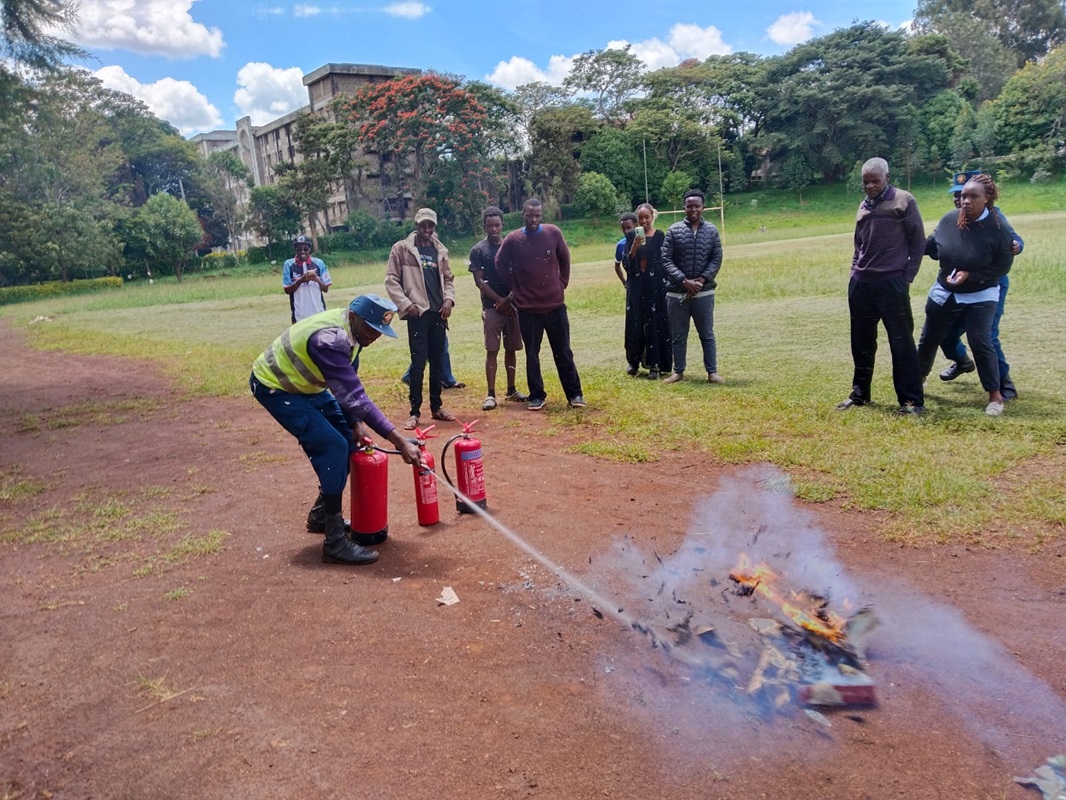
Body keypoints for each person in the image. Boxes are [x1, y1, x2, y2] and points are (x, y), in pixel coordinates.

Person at [249, 295, 423, 566]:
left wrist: (355, 425)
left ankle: (322, 514)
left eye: (379, 331)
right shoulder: (330, 341)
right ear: (354, 317)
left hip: (306, 387)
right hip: (277, 386)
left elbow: (346, 392)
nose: (375, 336)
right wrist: (399, 441)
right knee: (333, 446)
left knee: (350, 441)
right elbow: (356, 397)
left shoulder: (354, 336)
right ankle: (334, 541)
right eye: (372, 329)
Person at [836, 158, 926, 415]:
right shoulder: (863, 204)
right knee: (861, 342)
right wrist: (855, 269)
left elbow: (919, 242)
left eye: (875, 180)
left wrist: (907, 277)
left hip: (892, 283)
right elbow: (859, 243)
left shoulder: (904, 200)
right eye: (866, 181)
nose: (870, 186)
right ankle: (860, 394)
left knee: (901, 343)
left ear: (887, 176)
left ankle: (911, 402)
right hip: (861, 283)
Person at [918, 174, 1014, 416]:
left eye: (973, 196)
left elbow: (1003, 266)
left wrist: (970, 275)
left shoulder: (998, 226)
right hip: (946, 288)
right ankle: (917, 380)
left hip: (982, 292)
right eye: (962, 196)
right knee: (929, 336)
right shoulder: (950, 219)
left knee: (980, 340)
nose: (966, 201)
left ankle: (995, 395)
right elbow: (932, 247)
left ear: (988, 198)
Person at [937, 170, 1024, 400]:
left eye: (964, 194)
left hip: (990, 282)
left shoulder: (994, 217)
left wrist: (1017, 245)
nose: (960, 200)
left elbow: (1015, 239)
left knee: (987, 336)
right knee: (944, 332)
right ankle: (962, 361)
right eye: (956, 195)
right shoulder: (956, 217)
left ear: (984, 196)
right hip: (959, 285)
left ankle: (1004, 384)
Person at [495, 198, 585, 411]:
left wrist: (563, 282)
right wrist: (515, 287)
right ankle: (537, 395)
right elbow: (499, 263)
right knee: (532, 354)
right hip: (528, 309)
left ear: (541, 215)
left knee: (563, 351)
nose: (533, 219)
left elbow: (564, 258)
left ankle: (574, 394)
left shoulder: (553, 233)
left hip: (555, 305)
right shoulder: (513, 239)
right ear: (523, 215)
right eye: (529, 215)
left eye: (537, 215)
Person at [385, 207, 457, 430]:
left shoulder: (440, 250)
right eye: (423, 225)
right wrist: (407, 305)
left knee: (438, 362)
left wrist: (449, 300)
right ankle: (414, 412)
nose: (426, 229)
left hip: (438, 313)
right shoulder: (402, 249)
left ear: (434, 227)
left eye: (430, 225)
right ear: (416, 225)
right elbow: (391, 281)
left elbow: (449, 279)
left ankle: (436, 408)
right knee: (418, 363)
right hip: (418, 314)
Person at [660, 189, 724, 384]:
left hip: (703, 292)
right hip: (677, 292)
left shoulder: (712, 230)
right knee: (678, 335)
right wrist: (684, 281)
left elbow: (716, 257)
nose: (693, 209)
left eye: (697, 206)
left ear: (703, 207)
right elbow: (666, 258)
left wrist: (702, 280)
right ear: (684, 207)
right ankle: (678, 372)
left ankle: (712, 372)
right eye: (690, 206)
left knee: (707, 334)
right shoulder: (674, 230)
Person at [469, 206, 528, 411]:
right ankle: (491, 394)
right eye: (489, 225)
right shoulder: (478, 250)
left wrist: (509, 298)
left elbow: (520, 276)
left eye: (497, 225)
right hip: (492, 307)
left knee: (511, 348)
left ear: (503, 224)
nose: (493, 229)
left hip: (513, 306)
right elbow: (479, 281)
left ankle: (511, 389)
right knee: (492, 350)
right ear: (484, 226)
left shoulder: (511, 246)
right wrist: (499, 301)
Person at [622, 203, 671, 379]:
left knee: (654, 323)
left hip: (654, 286)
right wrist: (634, 246)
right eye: (641, 218)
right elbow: (626, 263)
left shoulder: (659, 236)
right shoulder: (630, 236)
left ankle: (655, 364)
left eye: (647, 217)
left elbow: (662, 262)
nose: (644, 221)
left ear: (652, 217)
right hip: (636, 286)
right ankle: (633, 362)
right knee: (635, 323)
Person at [283, 234, 331, 323]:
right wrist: (301, 280)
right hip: (299, 316)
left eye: (305, 249)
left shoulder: (319, 263)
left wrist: (315, 279)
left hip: (319, 313)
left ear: (309, 249)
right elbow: (287, 290)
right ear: (295, 250)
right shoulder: (288, 265)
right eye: (299, 249)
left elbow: (326, 289)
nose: (302, 252)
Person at [613, 212, 638, 288]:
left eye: (628, 227)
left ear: (636, 226)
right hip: (632, 286)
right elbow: (617, 266)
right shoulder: (621, 245)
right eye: (623, 228)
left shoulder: (645, 242)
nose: (626, 231)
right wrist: (624, 282)